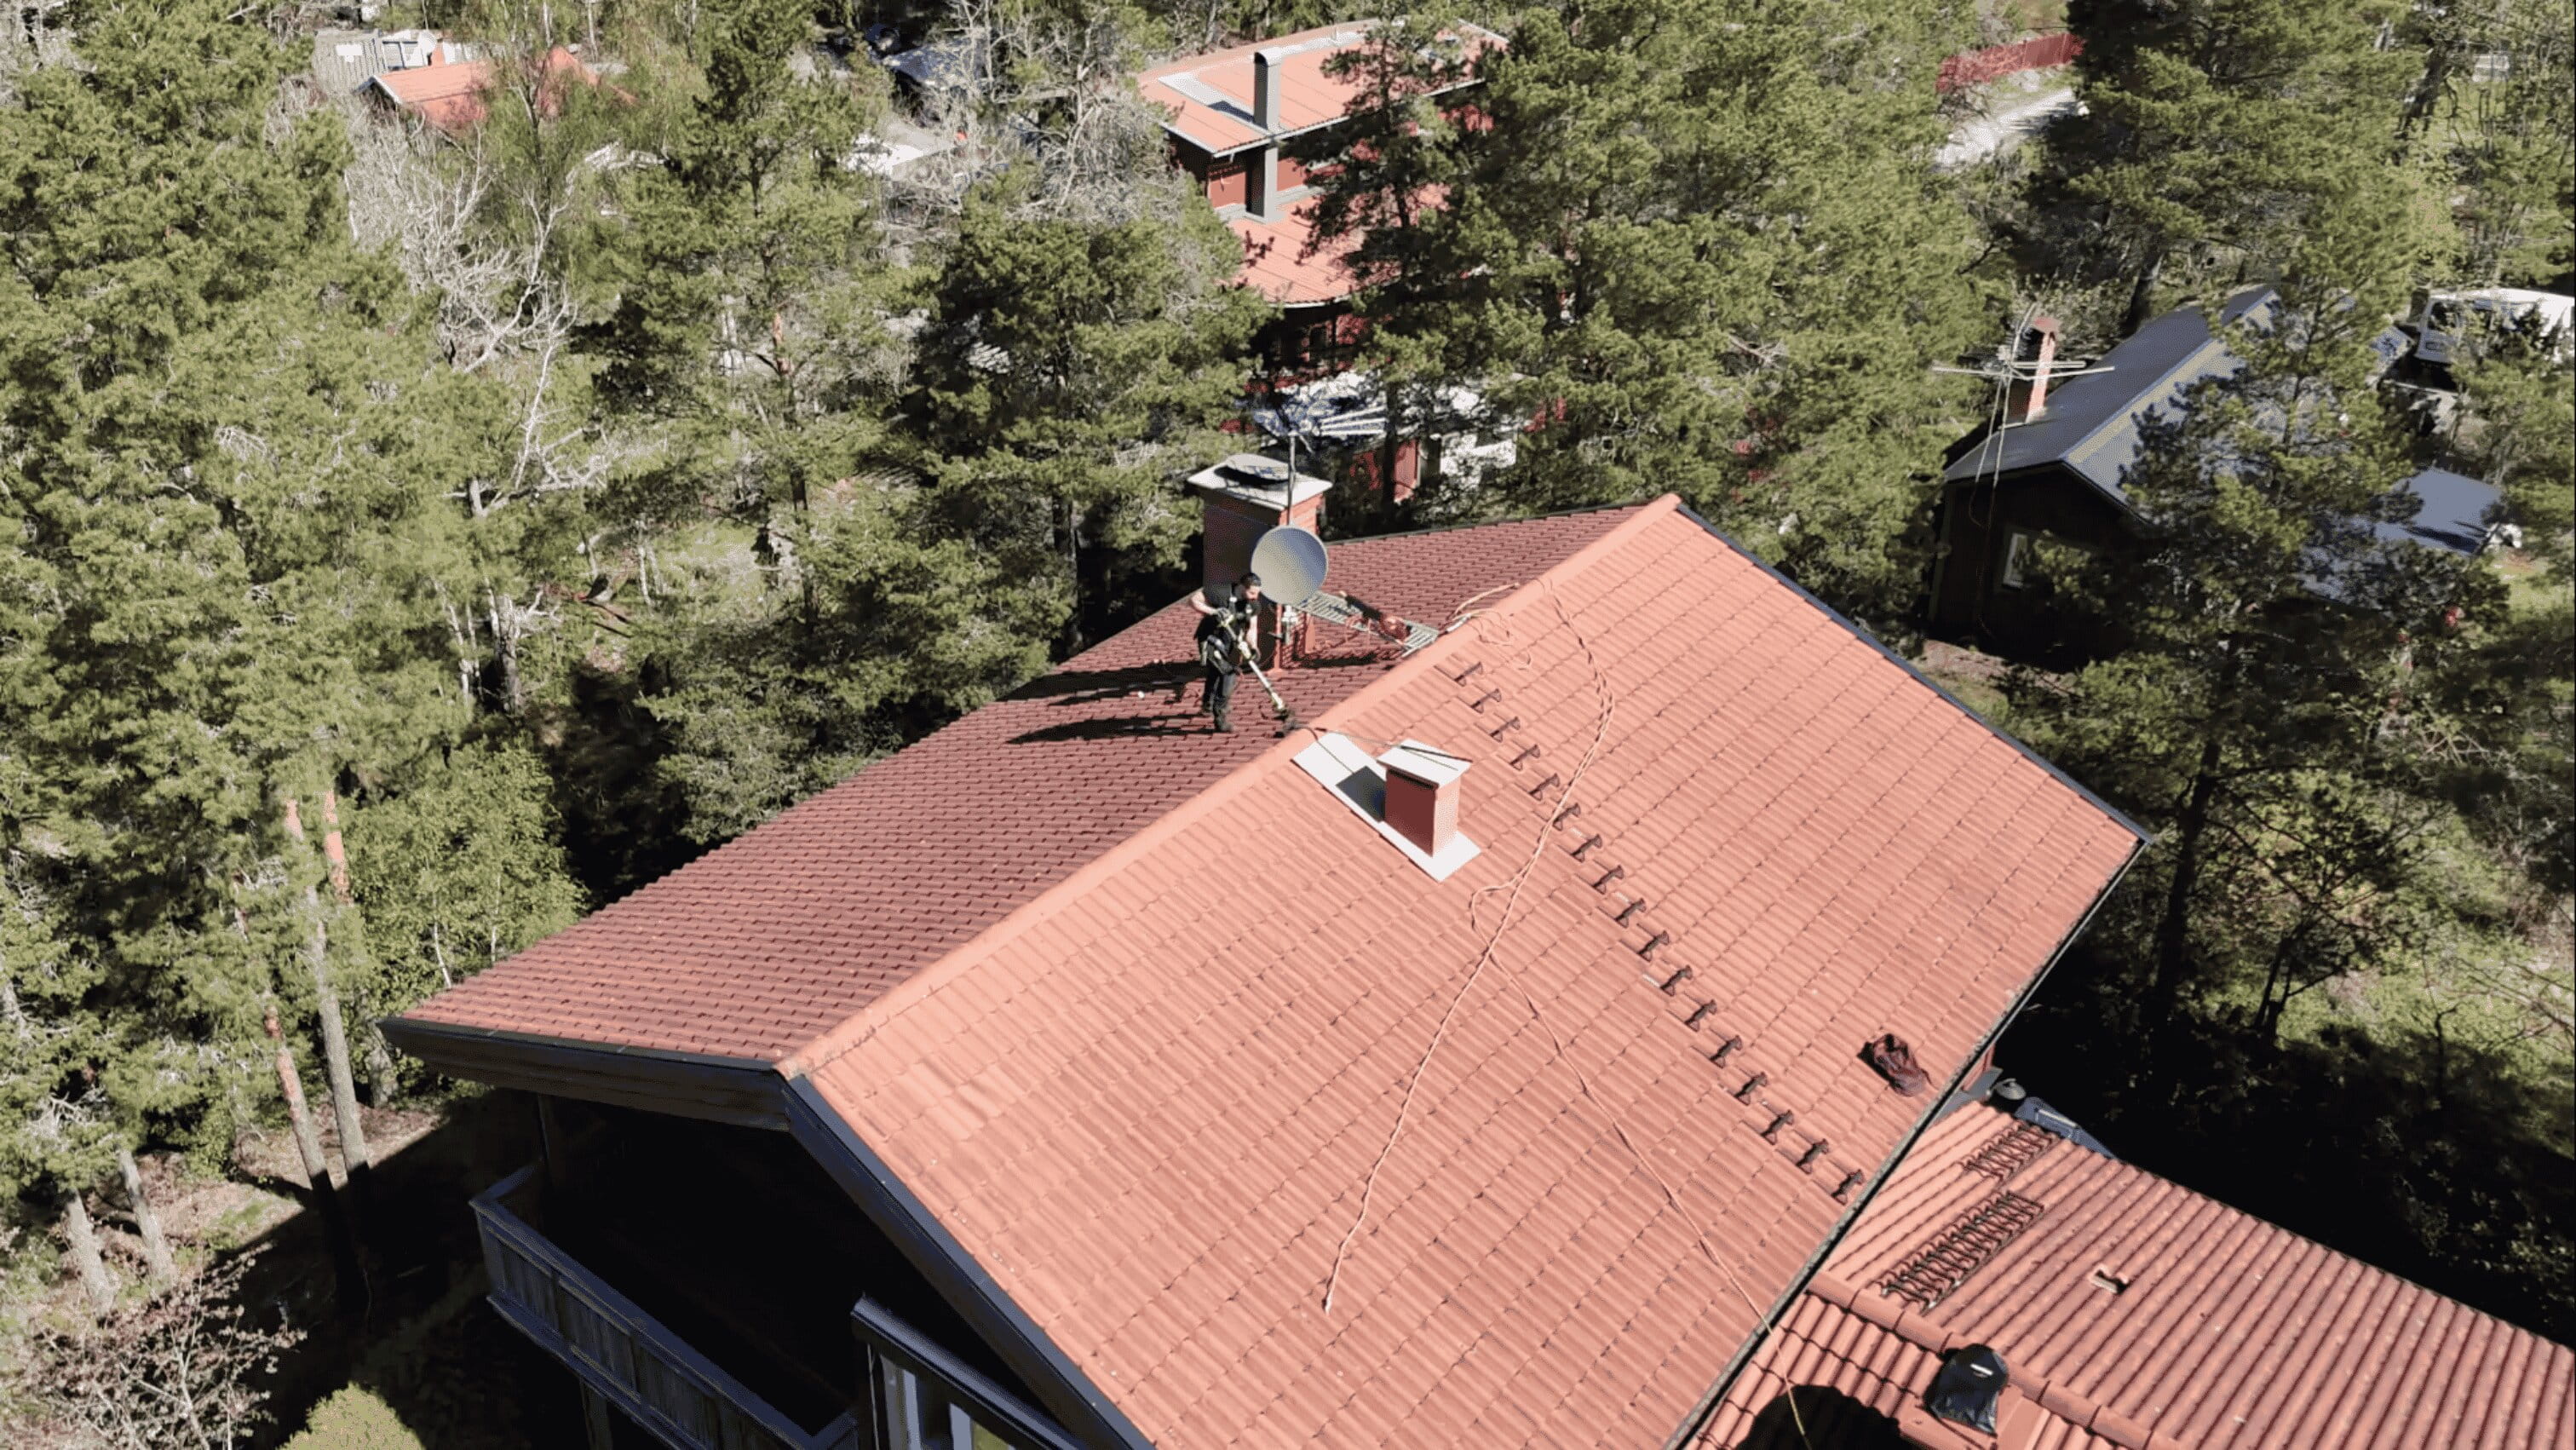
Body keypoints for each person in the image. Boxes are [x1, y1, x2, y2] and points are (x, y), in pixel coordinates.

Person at [1191, 573, 1262, 734]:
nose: (1255, 597)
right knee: (1228, 672)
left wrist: (1253, 647)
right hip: (1211, 639)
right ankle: (1220, 718)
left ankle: (1207, 704)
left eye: (1257, 593)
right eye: (1252, 592)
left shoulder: (1253, 605)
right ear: (1242, 587)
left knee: (1216, 671)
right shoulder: (1221, 592)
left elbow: (1252, 629)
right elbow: (1194, 600)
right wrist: (1214, 611)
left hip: (1229, 641)